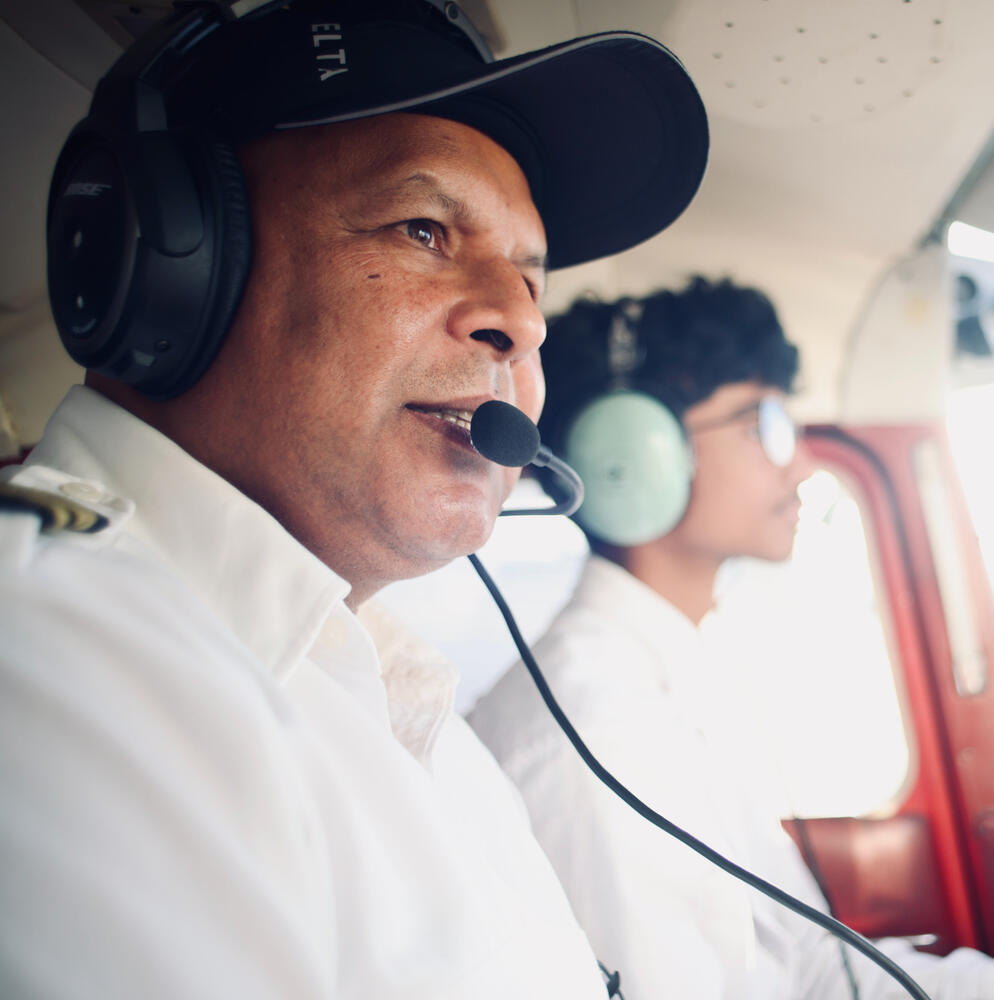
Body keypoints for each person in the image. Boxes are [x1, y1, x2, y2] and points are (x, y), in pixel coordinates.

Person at [0, 1, 707, 996]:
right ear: (172, 260)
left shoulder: (403, 707)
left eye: (530, 280)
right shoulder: (49, 652)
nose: (520, 322)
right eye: (424, 230)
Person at [468, 277, 994, 1000]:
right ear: (637, 455)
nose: (802, 464)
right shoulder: (599, 728)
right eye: (761, 423)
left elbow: (810, 966)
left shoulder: (664, 675)